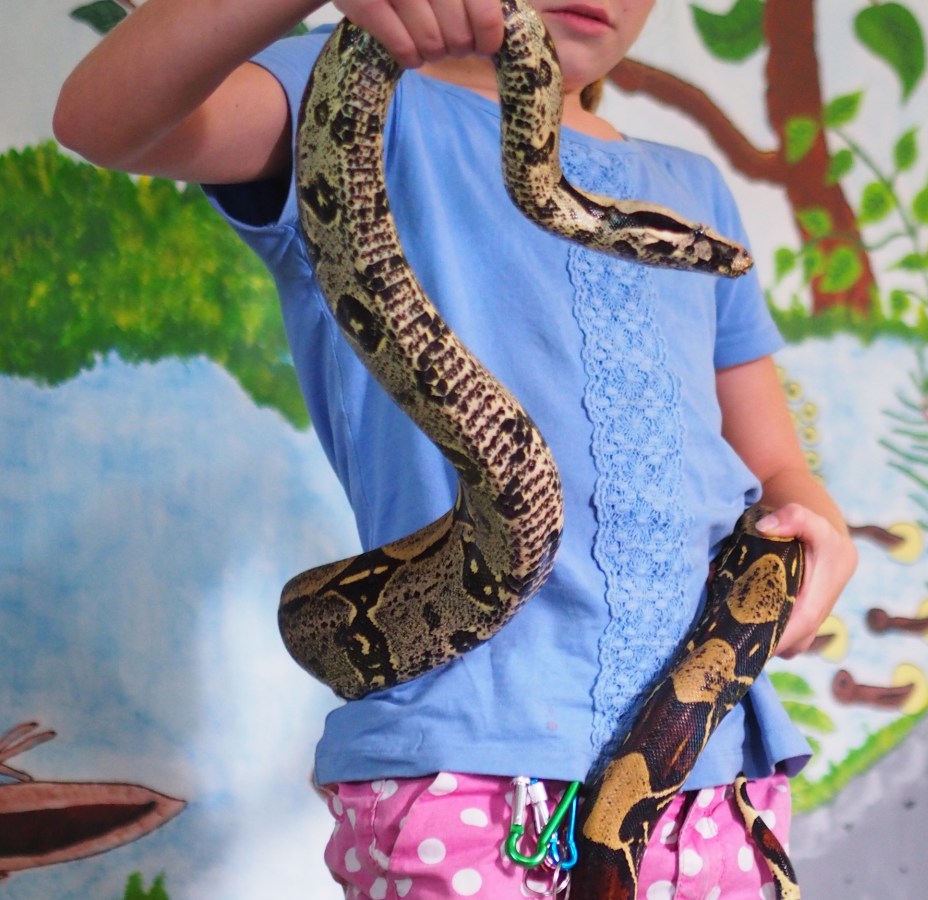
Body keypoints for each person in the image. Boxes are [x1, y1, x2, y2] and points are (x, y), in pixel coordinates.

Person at [55, 1, 858, 896]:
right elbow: (100, 120)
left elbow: (775, 463)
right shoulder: (349, 93)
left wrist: (821, 532)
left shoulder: (692, 189)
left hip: (713, 777)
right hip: (466, 764)